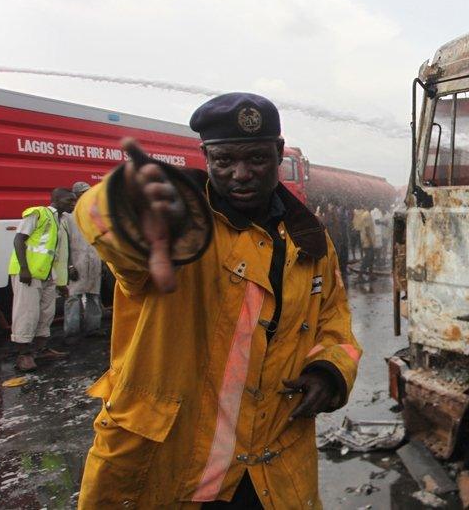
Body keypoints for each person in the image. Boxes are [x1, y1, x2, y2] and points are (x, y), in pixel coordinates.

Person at [75, 92, 360, 508]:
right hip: (174, 466)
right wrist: (126, 201)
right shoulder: (179, 226)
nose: (240, 174)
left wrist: (329, 371)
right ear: (205, 156)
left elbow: (334, 320)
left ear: (279, 153)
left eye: (257, 159)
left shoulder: (309, 240)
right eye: (224, 161)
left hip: (271, 470)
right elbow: (98, 218)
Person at [8, 188, 75, 371]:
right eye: (69, 200)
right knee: (27, 313)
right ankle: (23, 356)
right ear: (56, 199)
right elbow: (18, 240)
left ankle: (41, 349)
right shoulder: (38, 213)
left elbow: (59, 255)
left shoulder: (61, 222)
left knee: (46, 313)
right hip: (29, 273)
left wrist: (61, 282)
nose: (73, 204)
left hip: (47, 275)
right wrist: (24, 268)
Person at [62, 181, 103, 344]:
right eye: (83, 193)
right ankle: (71, 333)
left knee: (94, 296)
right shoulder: (67, 217)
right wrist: (68, 265)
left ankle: (93, 329)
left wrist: (103, 262)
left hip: (94, 262)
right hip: (76, 263)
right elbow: (63, 244)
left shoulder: (95, 214)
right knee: (73, 297)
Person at [352, 208, 376, 284]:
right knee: (367, 259)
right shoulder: (367, 215)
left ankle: (370, 274)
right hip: (367, 241)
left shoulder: (365, 214)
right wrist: (371, 241)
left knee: (371, 258)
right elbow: (367, 229)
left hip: (367, 240)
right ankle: (360, 276)